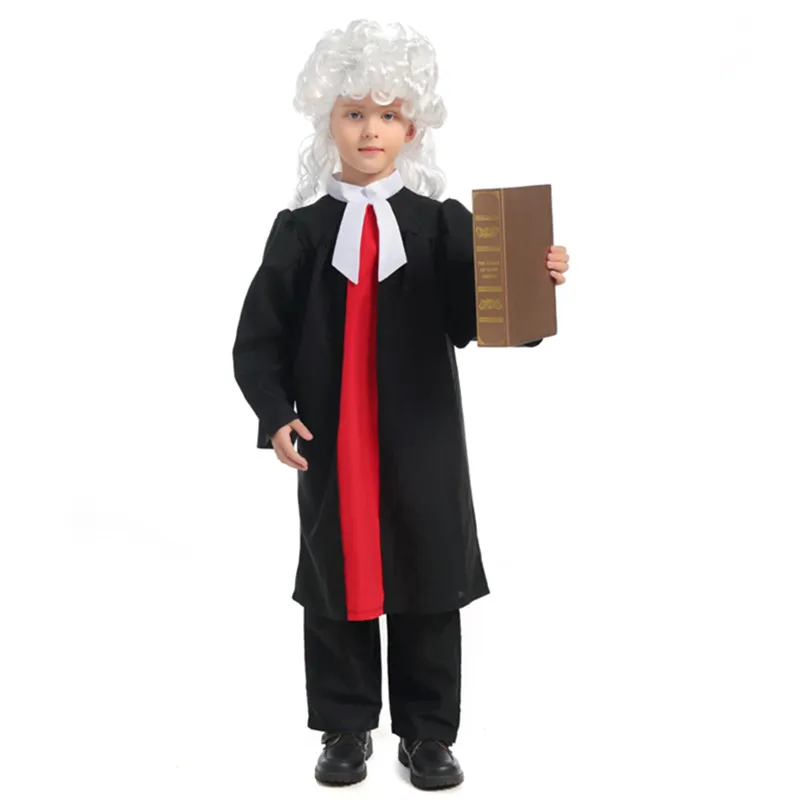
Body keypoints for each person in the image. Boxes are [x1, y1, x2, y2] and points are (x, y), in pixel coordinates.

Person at [232, 19, 570, 790]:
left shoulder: (441, 223)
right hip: (333, 433)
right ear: (328, 120)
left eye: (387, 114)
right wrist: (275, 413)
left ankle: (427, 734)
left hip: (420, 434)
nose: (370, 130)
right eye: (354, 113)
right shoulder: (301, 232)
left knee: (428, 573)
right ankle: (345, 727)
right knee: (338, 577)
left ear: (411, 126)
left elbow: (485, 317)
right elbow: (259, 338)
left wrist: (536, 279)